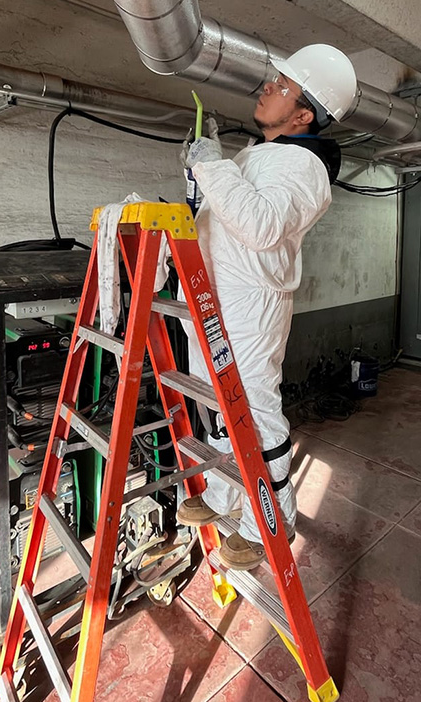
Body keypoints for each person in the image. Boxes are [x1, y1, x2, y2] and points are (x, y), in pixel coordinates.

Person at [174, 44, 358, 570]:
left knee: (253, 410)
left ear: (304, 116)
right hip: (211, 292)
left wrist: (214, 170)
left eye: (280, 86)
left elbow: (260, 225)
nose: (265, 88)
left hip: (251, 302)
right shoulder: (256, 155)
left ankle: (270, 519)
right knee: (215, 402)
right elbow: (222, 218)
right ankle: (223, 496)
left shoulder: (305, 167)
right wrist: (198, 176)